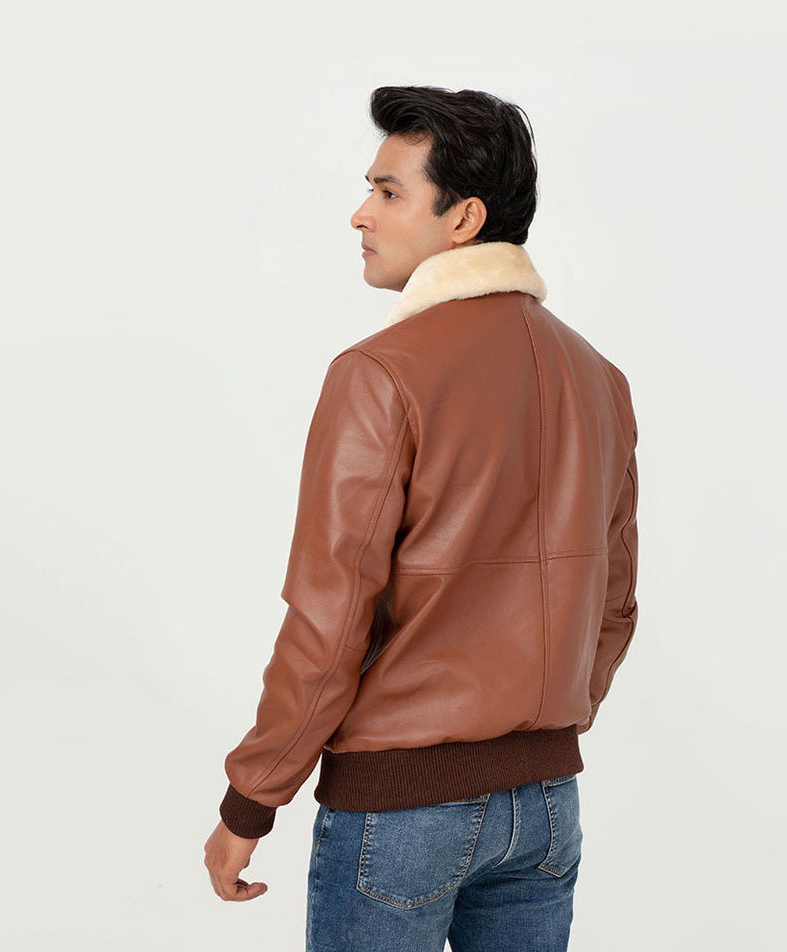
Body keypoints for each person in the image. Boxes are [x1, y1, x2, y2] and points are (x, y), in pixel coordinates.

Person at [204, 85, 640, 952]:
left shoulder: (379, 374)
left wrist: (251, 799)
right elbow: (615, 605)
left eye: (389, 191)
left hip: (402, 812)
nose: (360, 213)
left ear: (464, 219)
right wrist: (540, 728)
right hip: (548, 807)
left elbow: (329, 621)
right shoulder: (599, 379)